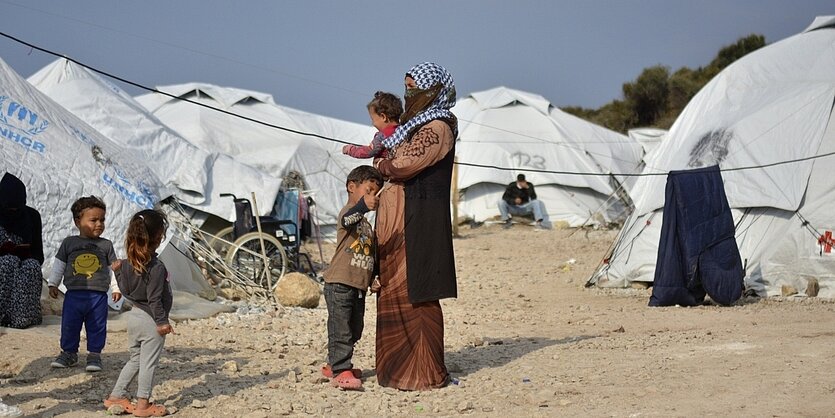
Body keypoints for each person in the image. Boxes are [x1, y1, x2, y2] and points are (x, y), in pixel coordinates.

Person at [373, 62, 458, 390]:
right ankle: (396, 369)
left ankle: (425, 373)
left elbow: (405, 165)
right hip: (399, 224)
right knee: (393, 292)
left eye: (415, 88)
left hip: (419, 222)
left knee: (419, 295)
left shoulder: (437, 128)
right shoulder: (412, 127)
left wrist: (380, 163)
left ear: (433, 90)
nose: (409, 94)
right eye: (405, 87)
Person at [104, 209, 173, 417]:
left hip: (133, 317)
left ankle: (116, 395)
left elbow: (125, 291)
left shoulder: (125, 265)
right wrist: (162, 322)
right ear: (159, 237)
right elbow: (154, 299)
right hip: (151, 320)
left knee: (135, 360)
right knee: (148, 363)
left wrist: (116, 271)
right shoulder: (156, 267)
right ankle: (143, 404)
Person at [320, 165, 382, 390]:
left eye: (376, 193)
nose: (373, 197)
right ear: (351, 187)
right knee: (341, 329)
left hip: (358, 286)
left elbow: (370, 253)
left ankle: (333, 364)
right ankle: (340, 370)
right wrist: (363, 206)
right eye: (369, 190)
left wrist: (374, 276)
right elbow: (348, 218)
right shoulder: (349, 213)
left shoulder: (366, 225)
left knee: (355, 329)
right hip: (339, 283)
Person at [47, 195, 121, 372]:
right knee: (70, 325)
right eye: (93, 220)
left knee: (97, 325)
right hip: (74, 295)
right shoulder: (69, 243)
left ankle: (94, 356)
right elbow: (59, 265)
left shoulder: (106, 245)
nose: (99, 224)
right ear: (77, 221)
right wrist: (53, 283)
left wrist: (116, 288)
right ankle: (68, 354)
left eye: (102, 220)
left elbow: (113, 269)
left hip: (98, 297)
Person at [0, 172, 44, 330]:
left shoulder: (31, 216)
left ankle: (24, 317)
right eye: (9, 208)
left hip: (24, 262)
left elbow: (39, 253)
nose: (13, 211)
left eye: (16, 208)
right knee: (7, 262)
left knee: (31, 266)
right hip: (3, 265)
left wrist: (26, 255)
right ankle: (3, 316)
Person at [342, 91, 403, 159]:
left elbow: (369, 151)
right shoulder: (404, 130)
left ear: (383, 117)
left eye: (373, 119)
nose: (373, 124)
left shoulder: (382, 137)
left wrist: (350, 149)